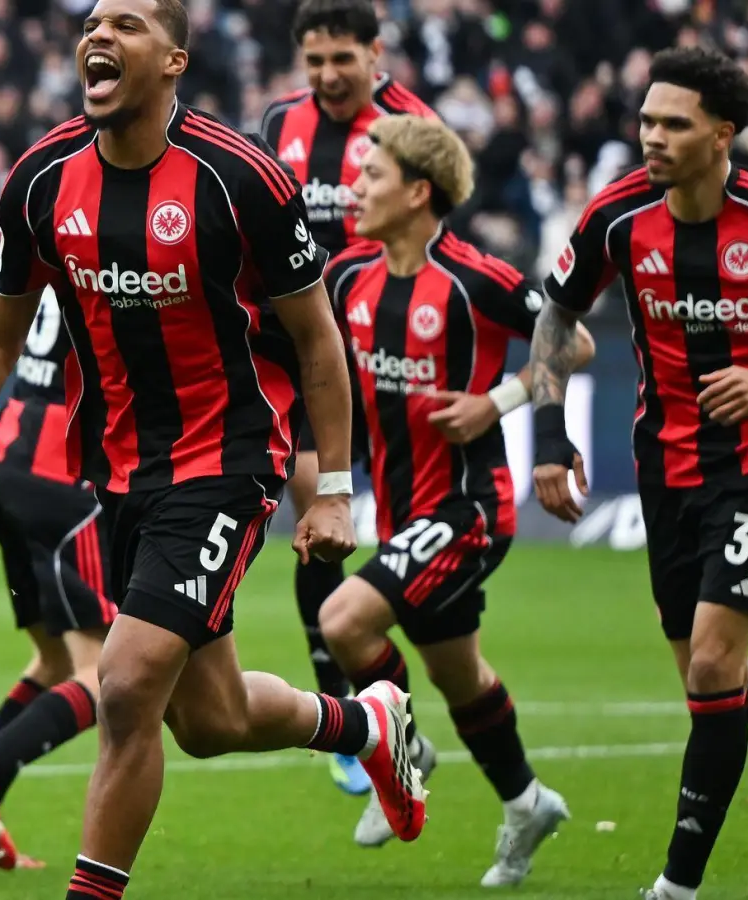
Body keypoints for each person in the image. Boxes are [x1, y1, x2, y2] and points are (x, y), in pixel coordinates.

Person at [0, 2, 428, 896]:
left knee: (127, 682)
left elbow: (319, 341)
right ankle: (365, 725)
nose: (99, 36)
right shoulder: (40, 180)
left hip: (227, 461)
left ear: (173, 59)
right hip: (119, 472)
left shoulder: (238, 178)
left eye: (128, 24)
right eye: (93, 22)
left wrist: (330, 488)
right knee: (208, 720)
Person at [528, 45, 748, 900]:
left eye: (673, 124)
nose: (650, 137)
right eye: (646, 120)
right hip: (665, 459)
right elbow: (557, 313)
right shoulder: (619, 215)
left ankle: (676, 886)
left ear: (723, 133)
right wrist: (550, 437)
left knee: (709, 668)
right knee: (714, 685)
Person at [318, 114, 594, 884]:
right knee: (457, 674)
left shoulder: (476, 278)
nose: (356, 188)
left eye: (372, 176)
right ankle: (527, 802)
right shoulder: (348, 278)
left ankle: (398, 754)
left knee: (343, 621)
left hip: (469, 508)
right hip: (403, 513)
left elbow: (574, 340)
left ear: (417, 191)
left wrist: (497, 401)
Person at [259, 0, 440, 797]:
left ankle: (396, 704)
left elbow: (439, 240)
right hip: (304, 354)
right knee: (318, 522)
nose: (329, 76)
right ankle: (349, 711)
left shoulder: (412, 126)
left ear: (377, 53)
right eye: (314, 61)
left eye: (343, 59)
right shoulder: (279, 125)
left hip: (391, 352)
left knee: (402, 540)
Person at [0, 286, 114, 871]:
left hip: (8, 451)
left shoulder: (48, 218)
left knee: (56, 661)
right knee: (110, 676)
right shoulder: (117, 226)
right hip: (64, 465)